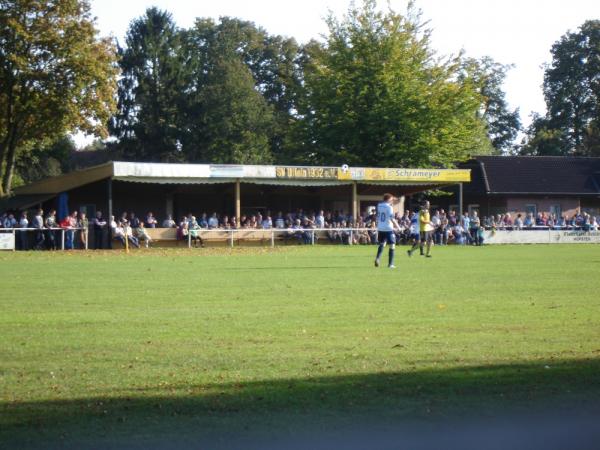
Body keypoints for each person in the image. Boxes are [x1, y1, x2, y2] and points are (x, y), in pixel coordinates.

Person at [374, 193, 400, 269]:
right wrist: (398, 227)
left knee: (382, 243)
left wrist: (393, 200)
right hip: (388, 228)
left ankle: (377, 258)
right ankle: (390, 264)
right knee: (392, 245)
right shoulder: (389, 207)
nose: (392, 201)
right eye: (391, 200)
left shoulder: (379, 206)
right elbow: (392, 218)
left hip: (380, 227)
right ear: (389, 200)